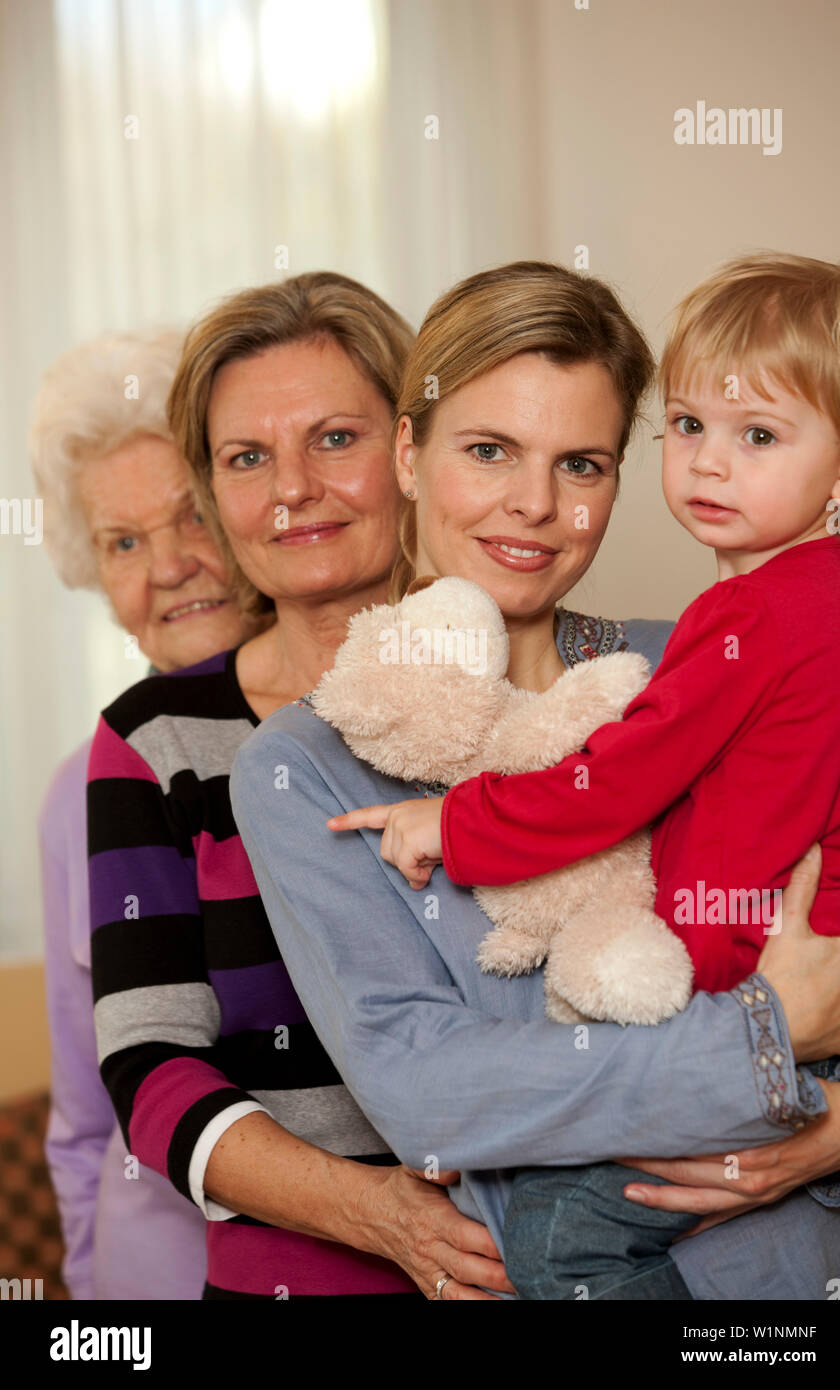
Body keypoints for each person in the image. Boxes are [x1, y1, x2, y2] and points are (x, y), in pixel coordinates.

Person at [230, 260, 840, 1302]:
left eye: (580, 464)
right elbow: (433, 1093)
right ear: (407, 449)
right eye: (488, 451)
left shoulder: (700, 661)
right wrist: (768, 1034)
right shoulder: (306, 769)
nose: (533, 504)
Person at [86, 272, 514, 1300]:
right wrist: (379, 1215)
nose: (290, 489)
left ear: (410, 449)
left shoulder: (536, 682)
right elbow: (148, 1068)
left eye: (333, 438)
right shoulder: (154, 740)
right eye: (246, 458)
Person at [32, 328, 259, 1300]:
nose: (167, 567)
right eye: (124, 542)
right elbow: (84, 1115)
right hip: (153, 1277)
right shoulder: (72, 793)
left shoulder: (364, 731)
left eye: (191, 515)